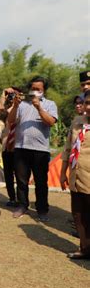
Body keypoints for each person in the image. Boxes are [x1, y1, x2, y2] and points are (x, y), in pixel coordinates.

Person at [8, 76, 58, 221]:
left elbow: (51, 122)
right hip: (21, 147)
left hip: (41, 150)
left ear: (44, 91)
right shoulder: (22, 104)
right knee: (21, 180)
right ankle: (22, 205)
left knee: (41, 181)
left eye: (38, 89)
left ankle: (42, 209)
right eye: (33, 89)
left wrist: (39, 107)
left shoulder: (50, 104)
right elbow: (10, 120)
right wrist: (16, 105)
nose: (35, 91)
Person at [60, 89, 90, 259]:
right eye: (86, 103)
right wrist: (63, 172)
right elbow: (67, 148)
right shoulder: (77, 122)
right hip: (76, 175)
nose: (88, 106)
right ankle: (85, 249)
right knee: (78, 214)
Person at [0, 87, 23, 207]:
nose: (12, 96)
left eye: (14, 94)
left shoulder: (22, 108)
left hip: (18, 145)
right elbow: (0, 109)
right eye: (11, 95)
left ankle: (21, 199)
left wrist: (18, 100)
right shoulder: (5, 110)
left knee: (19, 174)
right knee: (8, 174)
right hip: (6, 145)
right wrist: (4, 94)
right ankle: (12, 198)